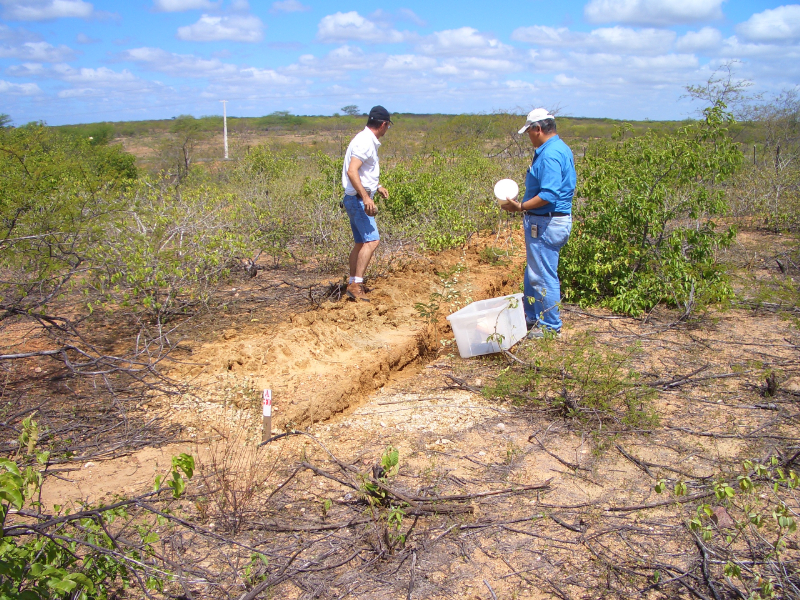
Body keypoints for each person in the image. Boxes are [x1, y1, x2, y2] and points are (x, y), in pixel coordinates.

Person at [500, 108, 576, 338]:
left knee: (543, 275)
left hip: (546, 223)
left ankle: (550, 327)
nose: (529, 137)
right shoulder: (558, 148)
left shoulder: (550, 154)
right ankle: (533, 317)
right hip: (547, 221)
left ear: (538, 129)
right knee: (535, 272)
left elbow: (549, 194)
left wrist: (520, 206)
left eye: (529, 132)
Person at [341, 105, 392, 302]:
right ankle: (356, 285)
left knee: (361, 242)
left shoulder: (365, 140)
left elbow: (363, 172)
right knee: (372, 241)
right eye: (388, 126)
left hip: (354, 198)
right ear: (383, 124)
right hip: (357, 199)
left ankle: (353, 282)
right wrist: (366, 197)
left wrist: (376, 186)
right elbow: (352, 171)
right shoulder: (364, 142)